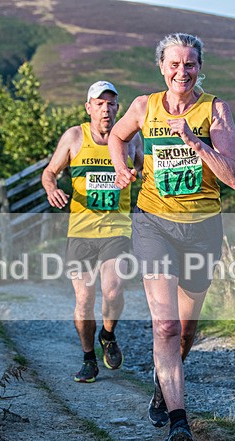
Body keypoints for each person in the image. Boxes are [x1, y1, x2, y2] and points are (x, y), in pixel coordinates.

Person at [108, 34, 235, 441]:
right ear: (161, 67)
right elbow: (116, 136)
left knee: (185, 329)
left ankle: (161, 384)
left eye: (190, 64)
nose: (181, 72)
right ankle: (178, 421)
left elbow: (234, 178)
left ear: (200, 67)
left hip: (202, 229)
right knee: (164, 326)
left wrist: (196, 142)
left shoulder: (215, 110)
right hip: (153, 225)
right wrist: (120, 167)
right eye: (174, 64)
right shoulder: (143, 106)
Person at [42, 80, 143, 383]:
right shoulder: (74, 137)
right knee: (84, 301)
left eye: (111, 104)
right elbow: (49, 172)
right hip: (81, 232)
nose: (106, 109)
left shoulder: (130, 139)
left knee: (114, 289)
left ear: (117, 108)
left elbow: (146, 172)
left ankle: (108, 335)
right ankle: (88, 359)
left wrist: (141, 179)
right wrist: (52, 189)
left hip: (117, 228)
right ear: (89, 107)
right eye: (99, 103)